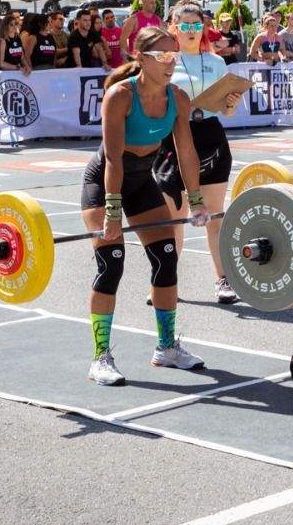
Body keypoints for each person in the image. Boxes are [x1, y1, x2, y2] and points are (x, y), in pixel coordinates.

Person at [81, 27, 208, 386]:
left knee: (167, 256)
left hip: (142, 181)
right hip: (105, 181)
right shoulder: (120, 96)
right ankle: (100, 357)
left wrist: (197, 201)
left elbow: (186, 153)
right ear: (141, 58)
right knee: (112, 264)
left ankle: (167, 348)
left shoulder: (178, 98)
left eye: (174, 55)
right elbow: (113, 162)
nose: (171, 62)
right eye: (163, 56)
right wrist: (110, 213)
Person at [156, 0, 242, 306]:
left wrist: (230, 102)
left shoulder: (216, 62)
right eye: (186, 25)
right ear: (175, 28)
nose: (192, 31)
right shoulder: (164, 61)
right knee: (173, 219)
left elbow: (227, 112)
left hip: (210, 137)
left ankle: (222, 280)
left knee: (215, 216)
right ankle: (166, 283)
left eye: (197, 25)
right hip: (173, 140)